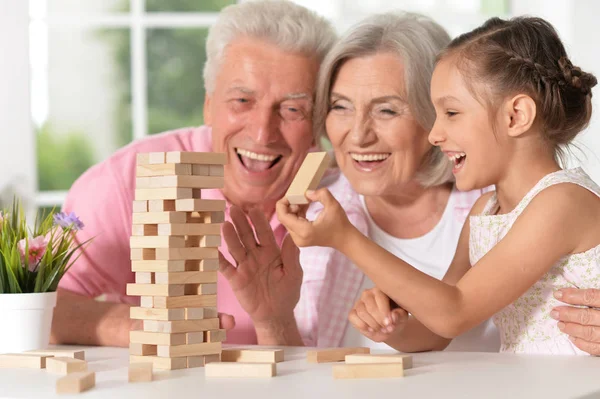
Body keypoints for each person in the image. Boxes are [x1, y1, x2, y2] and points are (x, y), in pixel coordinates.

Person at [278, 16, 600, 355]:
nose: (435, 134)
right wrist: (393, 328)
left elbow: (455, 312)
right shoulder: (486, 211)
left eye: (451, 113)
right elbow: (437, 331)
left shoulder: (561, 203)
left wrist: (345, 238)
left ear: (516, 115)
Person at [50, 0, 336, 347]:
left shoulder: (345, 198)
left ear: (320, 124)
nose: (263, 133)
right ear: (208, 106)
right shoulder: (130, 180)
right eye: (242, 101)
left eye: (292, 109)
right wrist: (142, 327)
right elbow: (28, 307)